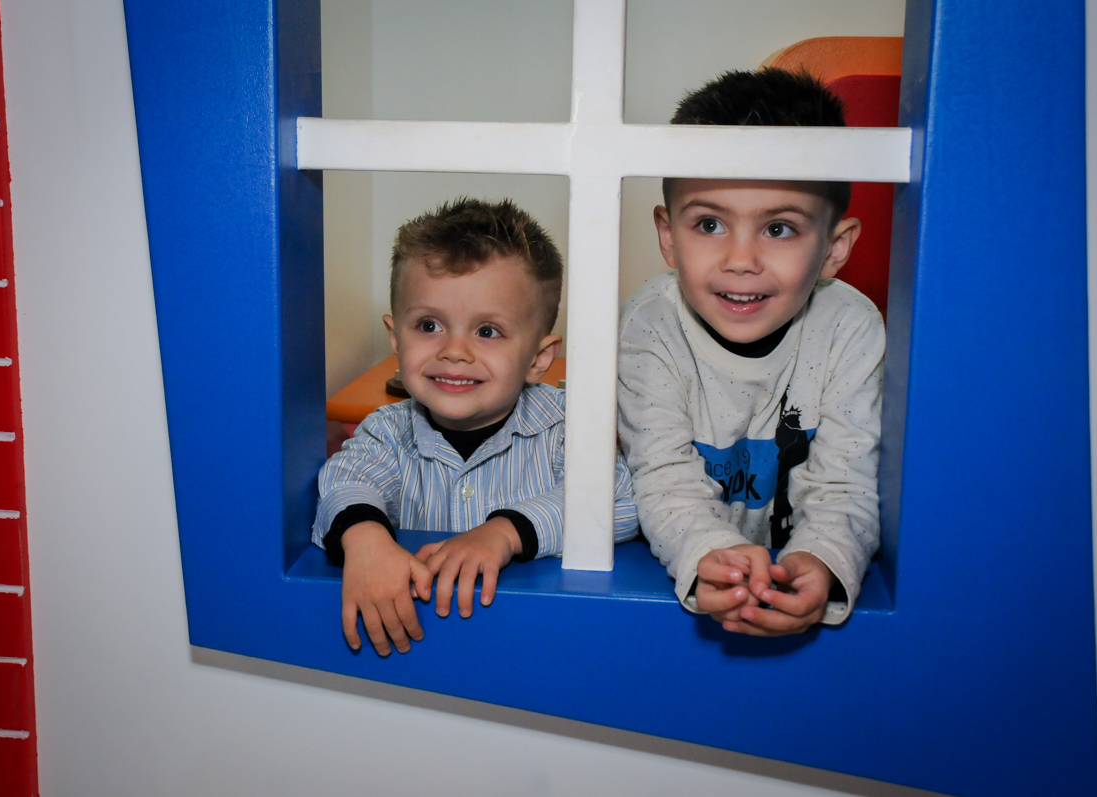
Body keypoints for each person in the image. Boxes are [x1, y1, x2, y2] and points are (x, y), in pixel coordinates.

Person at [618, 68, 883, 636]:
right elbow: (663, 476)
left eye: (780, 229)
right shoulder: (652, 323)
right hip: (680, 573)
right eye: (710, 223)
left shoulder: (851, 327)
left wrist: (825, 562)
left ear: (836, 247)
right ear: (668, 236)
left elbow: (846, 481)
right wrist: (713, 554)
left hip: (791, 571)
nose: (741, 259)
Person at [314, 197, 639, 656]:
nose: (454, 351)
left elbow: (619, 496)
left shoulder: (569, 427)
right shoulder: (386, 431)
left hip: (541, 647)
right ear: (394, 337)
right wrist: (364, 539)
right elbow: (346, 479)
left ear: (539, 359)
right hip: (424, 658)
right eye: (428, 325)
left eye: (487, 331)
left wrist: (505, 534)